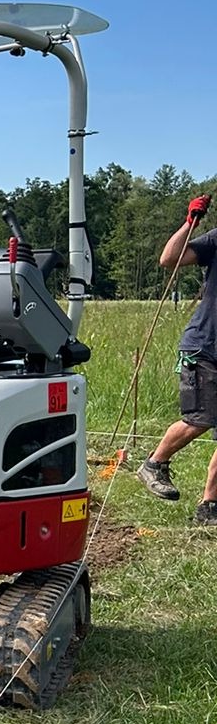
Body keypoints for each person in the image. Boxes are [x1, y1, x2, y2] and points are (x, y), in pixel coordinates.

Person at [136, 192, 217, 522]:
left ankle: (209, 505)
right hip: (205, 347)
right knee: (201, 418)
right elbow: (169, 258)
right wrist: (189, 222)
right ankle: (154, 462)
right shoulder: (216, 240)